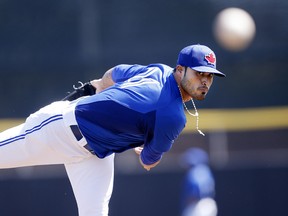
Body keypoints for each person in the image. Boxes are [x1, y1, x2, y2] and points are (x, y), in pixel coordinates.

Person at [0, 44, 225, 216]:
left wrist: (99, 87)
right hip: (63, 130)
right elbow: (148, 161)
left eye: (209, 76)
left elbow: (112, 74)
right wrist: (144, 143)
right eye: (199, 73)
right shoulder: (173, 116)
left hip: (96, 155)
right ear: (180, 70)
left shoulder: (157, 70)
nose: (205, 81)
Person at [180, 147, 217, 216]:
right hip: (210, 203)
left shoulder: (194, 172)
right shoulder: (206, 170)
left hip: (197, 205)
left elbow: (194, 191)